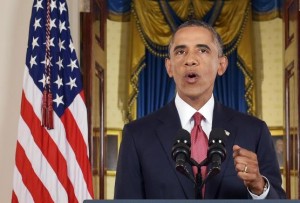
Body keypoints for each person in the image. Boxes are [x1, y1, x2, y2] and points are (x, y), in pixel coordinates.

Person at [114, 19, 286, 199]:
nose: (190, 60)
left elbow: (279, 200)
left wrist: (259, 186)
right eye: (181, 51)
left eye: (202, 50)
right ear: (169, 67)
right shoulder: (137, 135)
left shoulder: (254, 131)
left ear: (221, 65)